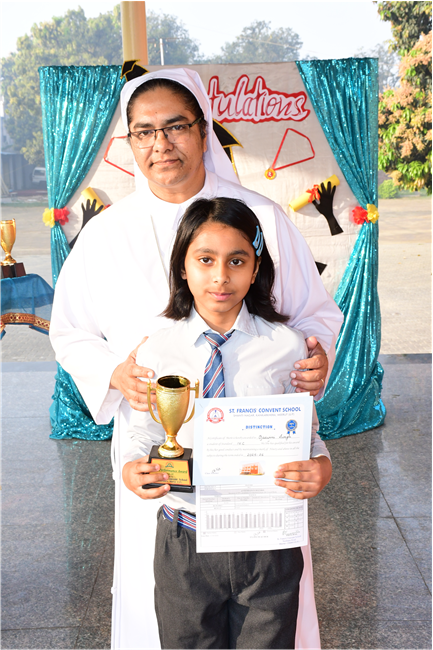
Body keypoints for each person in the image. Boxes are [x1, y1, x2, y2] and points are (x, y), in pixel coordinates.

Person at [49, 68, 343, 650]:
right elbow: (70, 332)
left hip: (259, 478)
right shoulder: (106, 234)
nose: (161, 144)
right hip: (161, 460)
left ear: (203, 130)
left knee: (267, 619)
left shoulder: (261, 219)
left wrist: (317, 357)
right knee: (170, 612)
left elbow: (312, 315)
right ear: (130, 142)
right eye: (144, 131)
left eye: (176, 126)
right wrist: (114, 373)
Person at [123, 196, 332, 650]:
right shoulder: (157, 349)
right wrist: (132, 467)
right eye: (205, 260)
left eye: (237, 261)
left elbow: (306, 431)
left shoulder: (287, 345)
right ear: (182, 267)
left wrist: (321, 465)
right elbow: (144, 431)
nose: (221, 276)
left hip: (267, 542)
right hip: (185, 539)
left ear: (255, 270)